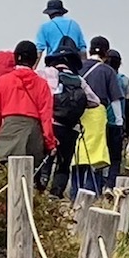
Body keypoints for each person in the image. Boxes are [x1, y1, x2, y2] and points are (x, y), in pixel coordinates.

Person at [35, 48, 100, 198]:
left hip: (50, 124)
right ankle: (56, 194)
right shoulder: (79, 80)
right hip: (71, 128)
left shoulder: (45, 73)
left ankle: (40, 190)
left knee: (45, 159)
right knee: (64, 164)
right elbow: (95, 101)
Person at [0, 41, 56, 166]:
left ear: (16, 57)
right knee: (29, 171)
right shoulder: (42, 84)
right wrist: (50, 143)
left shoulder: (3, 81)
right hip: (32, 134)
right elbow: (46, 118)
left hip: (8, 129)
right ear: (34, 60)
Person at [80, 37, 124, 192]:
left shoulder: (78, 67)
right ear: (106, 53)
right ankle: (94, 191)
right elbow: (115, 100)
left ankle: (75, 193)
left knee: (79, 156)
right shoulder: (107, 71)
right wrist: (119, 123)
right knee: (97, 156)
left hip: (78, 118)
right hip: (98, 118)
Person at [107, 49, 129, 163]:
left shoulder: (100, 76)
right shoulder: (124, 80)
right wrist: (128, 129)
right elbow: (127, 105)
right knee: (115, 157)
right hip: (118, 123)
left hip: (101, 120)